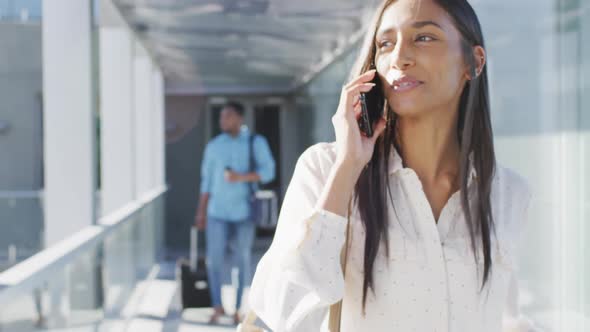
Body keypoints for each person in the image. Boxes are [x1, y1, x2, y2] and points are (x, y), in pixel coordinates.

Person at [248, 0, 541, 331]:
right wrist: (347, 167)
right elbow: (285, 309)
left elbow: (510, 319)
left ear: (473, 63)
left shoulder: (508, 194)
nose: (400, 58)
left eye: (424, 38)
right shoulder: (326, 168)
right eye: (385, 44)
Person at [195, 101, 275, 325]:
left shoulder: (255, 142)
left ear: (240, 118)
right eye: (221, 117)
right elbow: (206, 183)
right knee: (215, 261)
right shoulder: (213, 146)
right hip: (216, 213)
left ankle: (239, 308)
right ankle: (217, 306)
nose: (223, 120)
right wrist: (200, 212)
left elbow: (269, 172)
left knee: (242, 260)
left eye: (228, 116)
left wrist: (241, 177)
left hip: (244, 213)